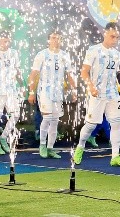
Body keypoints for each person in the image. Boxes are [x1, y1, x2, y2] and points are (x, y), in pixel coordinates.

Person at [73, 22, 120, 167]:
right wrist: (91, 86)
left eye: (117, 37)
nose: (115, 40)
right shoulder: (94, 50)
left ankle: (115, 156)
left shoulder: (117, 54)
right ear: (105, 33)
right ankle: (80, 147)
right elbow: (84, 72)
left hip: (112, 94)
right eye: (112, 36)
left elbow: (114, 76)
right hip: (97, 94)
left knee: (116, 123)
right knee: (91, 125)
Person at [27, 31, 77, 159]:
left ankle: (50, 148)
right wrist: (31, 92)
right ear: (48, 40)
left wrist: (74, 90)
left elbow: (69, 75)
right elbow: (33, 75)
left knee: (55, 121)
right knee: (47, 118)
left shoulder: (64, 56)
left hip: (58, 92)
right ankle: (42, 145)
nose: (56, 40)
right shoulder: (42, 55)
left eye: (59, 38)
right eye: (53, 38)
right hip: (44, 91)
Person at [0, 31, 24, 155]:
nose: (6, 42)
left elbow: (17, 70)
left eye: (8, 40)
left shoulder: (14, 53)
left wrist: (22, 84)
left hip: (11, 89)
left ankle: (4, 137)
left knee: (15, 114)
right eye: (4, 40)